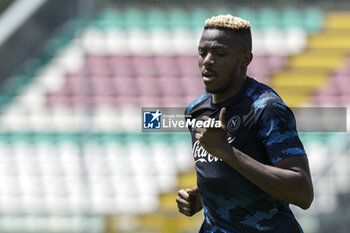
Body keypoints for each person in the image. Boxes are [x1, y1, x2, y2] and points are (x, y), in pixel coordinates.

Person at [176, 14, 313, 233]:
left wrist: (227, 152)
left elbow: (303, 192)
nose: (208, 60)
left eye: (220, 53)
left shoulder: (267, 108)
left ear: (245, 60)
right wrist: (201, 198)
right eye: (203, 52)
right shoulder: (195, 111)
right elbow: (231, 177)